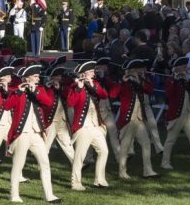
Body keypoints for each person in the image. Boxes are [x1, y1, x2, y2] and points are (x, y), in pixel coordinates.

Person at [2, 64, 61, 204]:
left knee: (45, 163)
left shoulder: (40, 89)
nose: (38, 78)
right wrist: (18, 93)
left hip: (36, 133)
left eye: (37, 76)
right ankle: (14, 194)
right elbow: (7, 106)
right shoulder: (17, 91)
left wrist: (36, 92)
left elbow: (49, 103)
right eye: (35, 76)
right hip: (21, 133)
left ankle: (49, 195)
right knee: (18, 164)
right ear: (27, 78)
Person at [64, 61, 110, 191]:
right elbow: (70, 103)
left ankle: (99, 179)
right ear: (83, 74)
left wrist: (91, 85)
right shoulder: (75, 87)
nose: (93, 73)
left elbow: (104, 95)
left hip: (95, 125)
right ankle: (75, 182)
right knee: (80, 156)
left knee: (104, 151)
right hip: (83, 126)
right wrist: (79, 88)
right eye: (90, 72)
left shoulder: (94, 84)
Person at [112, 59, 159, 180]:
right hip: (128, 120)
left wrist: (139, 80)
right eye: (132, 70)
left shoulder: (140, 81)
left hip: (139, 119)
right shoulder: (123, 82)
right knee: (125, 146)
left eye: (135, 70)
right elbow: (112, 94)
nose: (134, 72)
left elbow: (149, 89)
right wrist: (122, 82)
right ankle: (122, 171)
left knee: (146, 142)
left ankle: (148, 170)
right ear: (127, 71)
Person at [40, 67, 75, 164]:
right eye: (57, 77)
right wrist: (48, 88)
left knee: (67, 143)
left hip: (62, 120)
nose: (60, 79)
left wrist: (60, 88)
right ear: (52, 77)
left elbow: (68, 96)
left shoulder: (62, 87)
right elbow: (47, 102)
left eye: (60, 77)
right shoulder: (46, 88)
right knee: (46, 144)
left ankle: (76, 163)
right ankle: (42, 164)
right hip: (51, 121)